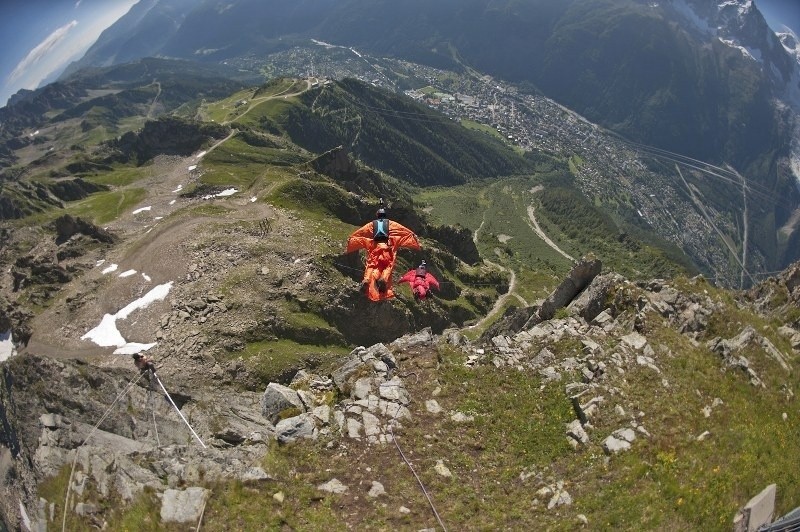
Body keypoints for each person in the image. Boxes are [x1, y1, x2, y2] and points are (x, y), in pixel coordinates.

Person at [346, 205, 420, 302]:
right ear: (385, 215)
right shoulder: (391, 224)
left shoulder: (371, 225)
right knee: (387, 266)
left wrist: (352, 238)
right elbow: (402, 231)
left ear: (377, 215)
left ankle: (367, 280)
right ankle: (384, 279)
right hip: (387, 249)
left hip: (375, 249)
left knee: (372, 266)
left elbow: (361, 232)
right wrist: (413, 236)